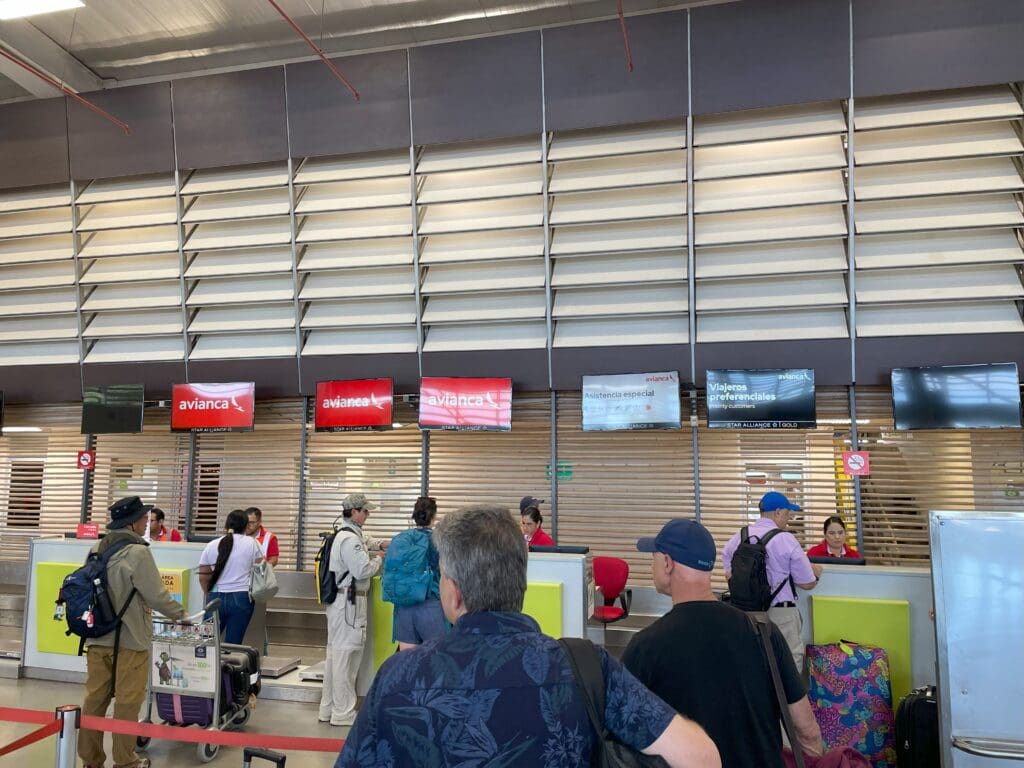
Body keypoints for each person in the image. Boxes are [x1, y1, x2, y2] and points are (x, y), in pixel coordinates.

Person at [335, 504, 721, 768]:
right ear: (520, 583)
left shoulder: (398, 678)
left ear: (451, 591)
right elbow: (702, 757)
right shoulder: (587, 668)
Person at [623, 518, 823, 768]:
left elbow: (624, 739)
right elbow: (806, 730)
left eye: (653, 557)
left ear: (667, 563)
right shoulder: (763, 632)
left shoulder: (645, 647)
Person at [80, 496, 188, 768]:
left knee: (94, 700)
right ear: (132, 523)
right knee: (127, 704)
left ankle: (91, 761)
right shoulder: (138, 552)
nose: (147, 523)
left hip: (96, 638)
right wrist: (181, 615)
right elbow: (156, 594)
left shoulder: (97, 547)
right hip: (130, 640)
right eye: (144, 518)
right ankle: (125, 761)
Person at [723, 491, 823, 672]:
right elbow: (807, 583)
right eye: (787, 513)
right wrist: (815, 573)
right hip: (780, 613)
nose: (788, 519)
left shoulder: (738, 537)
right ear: (777, 512)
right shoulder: (785, 539)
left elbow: (729, 576)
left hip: (745, 613)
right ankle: (787, 700)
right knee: (788, 661)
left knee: (753, 661)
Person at [319, 492, 385, 726]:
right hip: (349, 603)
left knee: (335, 656)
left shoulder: (346, 533)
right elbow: (363, 571)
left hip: (341, 603)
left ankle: (328, 709)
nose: (368, 515)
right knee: (347, 657)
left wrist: (380, 544)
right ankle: (343, 713)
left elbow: (365, 540)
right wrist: (379, 558)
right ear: (354, 512)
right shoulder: (349, 540)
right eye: (365, 511)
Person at [387, 495, 446, 651]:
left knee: (407, 664)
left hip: (403, 608)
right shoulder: (438, 540)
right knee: (434, 662)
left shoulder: (402, 539)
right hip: (430, 605)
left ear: (414, 515)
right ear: (433, 516)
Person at [198, 509, 263, 644]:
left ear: (226, 525)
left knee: (206, 643)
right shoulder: (253, 544)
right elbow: (260, 571)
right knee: (234, 646)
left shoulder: (212, 545)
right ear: (246, 526)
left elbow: (203, 577)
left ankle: (208, 665)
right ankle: (230, 665)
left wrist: (210, 594)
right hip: (242, 597)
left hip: (215, 598)